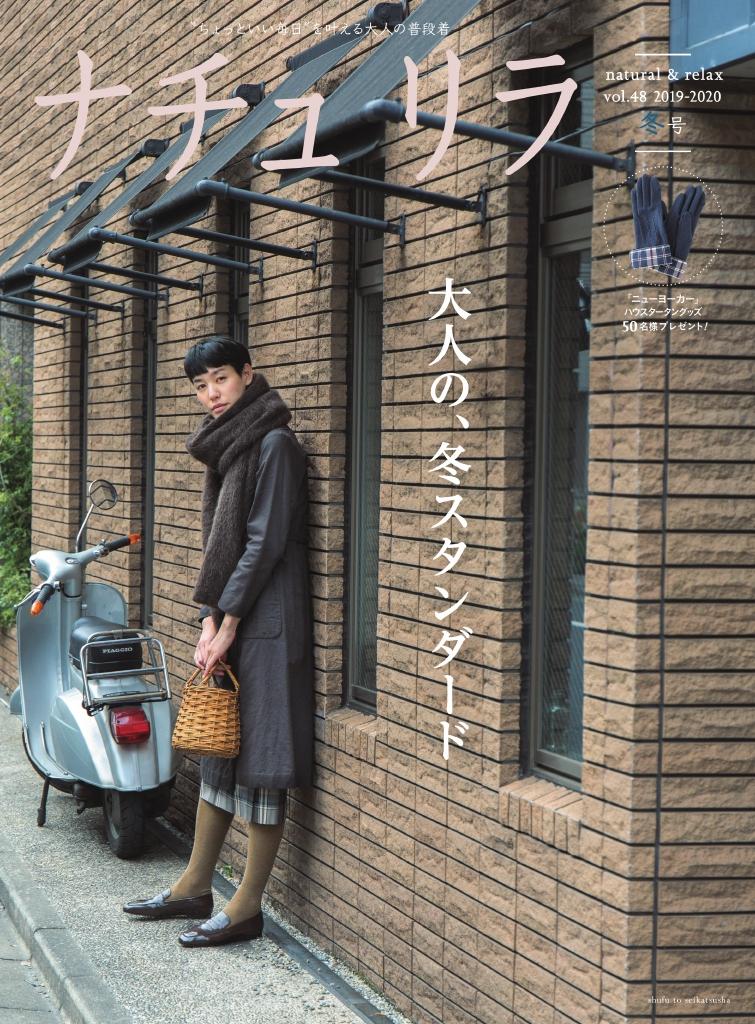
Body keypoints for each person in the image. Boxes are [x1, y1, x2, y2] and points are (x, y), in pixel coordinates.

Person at [122, 335, 315, 947]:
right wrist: (210, 621)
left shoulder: (275, 443)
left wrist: (226, 623)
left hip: (269, 620)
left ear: (248, 374)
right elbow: (220, 549)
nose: (211, 394)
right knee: (219, 752)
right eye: (200, 386)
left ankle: (246, 906)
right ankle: (193, 886)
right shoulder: (230, 445)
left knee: (260, 760)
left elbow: (264, 542)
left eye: (221, 380)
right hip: (232, 614)